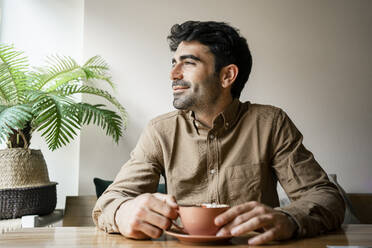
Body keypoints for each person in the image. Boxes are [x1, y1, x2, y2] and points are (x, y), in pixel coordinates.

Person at [92, 21, 345, 245]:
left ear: (227, 75)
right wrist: (123, 213)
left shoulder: (271, 123)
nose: (173, 74)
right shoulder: (160, 131)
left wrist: (288, 219)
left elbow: (327, 197)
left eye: (188, 63)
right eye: (173, 63)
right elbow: (111, 200)